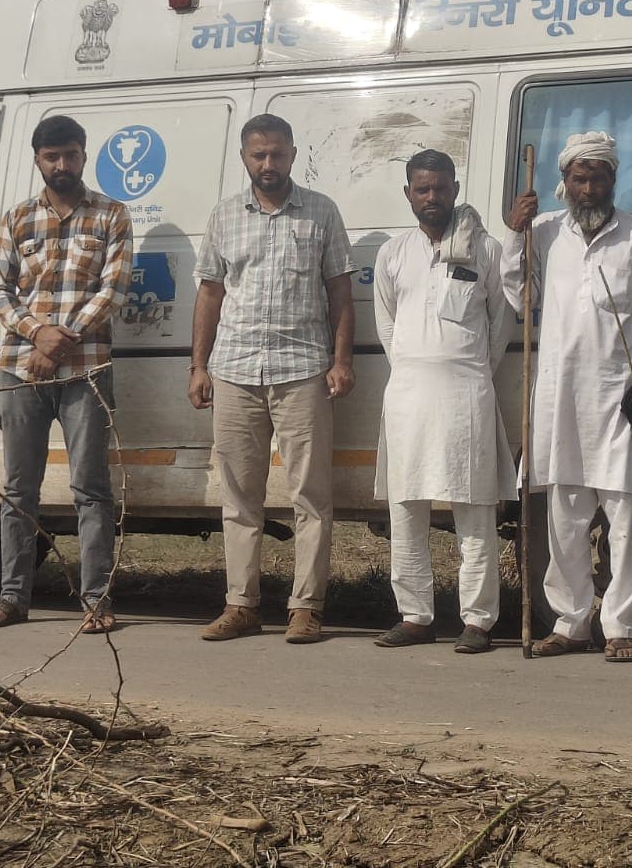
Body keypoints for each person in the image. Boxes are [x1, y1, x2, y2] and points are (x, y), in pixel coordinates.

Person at [502, 131, 632, 663]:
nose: (588, 186)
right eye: (579, 177)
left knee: (623, 513)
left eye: (598, 176)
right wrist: (515, 236)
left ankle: (621, 625)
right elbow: (519, 296)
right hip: (559, 395)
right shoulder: (547, 233)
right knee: (565, 513)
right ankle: (571, 621)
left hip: (619, 397)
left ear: (613, 179)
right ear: (565, 182)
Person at [189, 113, 356, 645]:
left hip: (303, 369)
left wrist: (342, 359)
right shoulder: (222, 217)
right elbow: (210, 295)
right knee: (239, 496)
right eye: (259, 155)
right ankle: (241, 604)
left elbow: (340, 294)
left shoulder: (321, 212)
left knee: (310, 494)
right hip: (235, 371)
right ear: (244, 158)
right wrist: (198, 365)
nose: (268, 164)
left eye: (278, 154)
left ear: (292, 153)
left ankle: (305, 607)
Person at [0, 114, 134, 635]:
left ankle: (96, 600)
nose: (61, 165)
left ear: (84, 155)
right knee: (19, 489)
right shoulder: (17, 218)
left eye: (69, 154)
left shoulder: (112, 215)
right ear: (37, 160)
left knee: (91, 487)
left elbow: (112, 292)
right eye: (51, 156)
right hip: (20, 370)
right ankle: (12, 598)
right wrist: (35, 334)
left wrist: (56, 342)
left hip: (85, 371)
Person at [372, 150, 515, 654]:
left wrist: (467, 368)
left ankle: (477, 620)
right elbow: (387, 323)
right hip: (407, 395)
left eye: (440, 188)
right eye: (421, 189)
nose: (431, 198)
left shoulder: (487, 249)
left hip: (467, 393)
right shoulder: (393, 252)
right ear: (408, 193)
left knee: (473, 508)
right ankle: (415, 616)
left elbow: (501, 323)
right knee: (405, 507)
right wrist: (415, 366)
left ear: (456, 188)